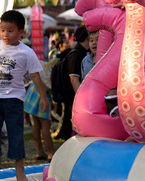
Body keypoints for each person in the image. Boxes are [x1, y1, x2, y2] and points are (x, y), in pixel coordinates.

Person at [0, 10, 49, 181]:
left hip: (14, 100)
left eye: (10, 30)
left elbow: (35, 75)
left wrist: (43, 97)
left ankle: (19, 170)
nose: (6, 34)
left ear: (21, 32)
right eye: (3, 30)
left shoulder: (26, 52)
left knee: (16, 135)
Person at [58, 26, 89, 141]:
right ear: (87, 37)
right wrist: (82, 98)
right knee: (70, 122)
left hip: (76, 95)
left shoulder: (84, 52)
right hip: (73, 95)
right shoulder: (76, 54)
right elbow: (73, 79)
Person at [23, 70, 55, 162]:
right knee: (45, 124)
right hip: (42, 93)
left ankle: (40, 151)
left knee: (36, 124)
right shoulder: (52, 63)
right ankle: (51, 152)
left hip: (33, 90)